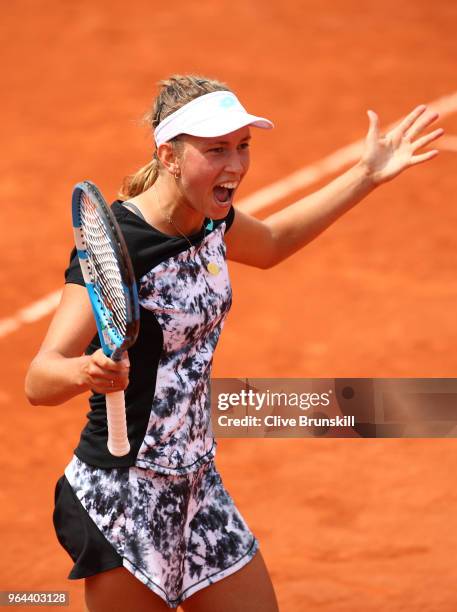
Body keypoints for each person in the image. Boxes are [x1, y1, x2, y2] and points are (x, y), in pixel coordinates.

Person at [25, 75, 443, 612]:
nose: (236, 166)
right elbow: (40, 378)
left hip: (200, 487)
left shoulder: (208, 221)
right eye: (216, 149)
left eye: (243, 146)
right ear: (169, 156)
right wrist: (87, 373)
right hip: (125, 497)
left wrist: (366, 175)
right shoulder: (121, 246)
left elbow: (270, 243)